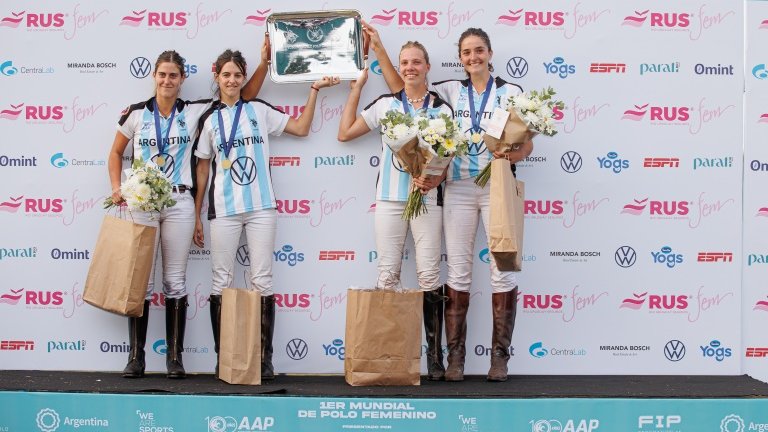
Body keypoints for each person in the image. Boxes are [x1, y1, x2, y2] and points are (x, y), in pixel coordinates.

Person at [376, 27, 533, 382]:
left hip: (498, 188)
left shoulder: (512, 93)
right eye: (466, 53)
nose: (473, 57)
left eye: (479, 50)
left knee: (502, 267)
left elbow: (527, 146)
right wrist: (380, 49)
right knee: (458, 270)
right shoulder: (448, 91)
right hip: (459, 189)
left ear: (490, 53)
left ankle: (499, 358)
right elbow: (404, 87)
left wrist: (514, 152)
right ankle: (456, 359)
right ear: (460, 58)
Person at [108, 49, 267, 379]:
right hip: (142, 204)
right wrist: (116, 187)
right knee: (140, 282)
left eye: (173, 75)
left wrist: (263, 63)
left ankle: (174, 358)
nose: (167, 80)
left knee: (175, 281)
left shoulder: (194, 112)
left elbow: (241, 95)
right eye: (162, 74)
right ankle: (136, 357)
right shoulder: (137, 114)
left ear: (182, 79)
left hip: (179, 203)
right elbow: (114, 153)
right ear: (154, 77)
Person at [193, 48, 339, 380]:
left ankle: (264, 359)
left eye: (237, 75)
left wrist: (313, 91)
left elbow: (301, 128)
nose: (232, 80)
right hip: (224, 210)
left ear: (244, 79)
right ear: (217, 77)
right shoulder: (208, 119)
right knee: (221, 281)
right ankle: (224, 357)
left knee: (261, 280)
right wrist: (197, 212)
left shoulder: (258, 109)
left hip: (261, 208)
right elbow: (203, 168)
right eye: (226, 75)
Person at [337, 38, 452, 381]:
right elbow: (345, 133)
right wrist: (356, 89)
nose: (410, 68)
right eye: (405, 63)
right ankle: (389, 353)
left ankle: (433, 358)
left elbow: (448, 156)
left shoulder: (441, 109)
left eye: (417, 62)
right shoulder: (386, 104)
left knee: (429, 276)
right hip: (389, 198)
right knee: (388, 275)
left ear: (427, 67)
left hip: (427, 199)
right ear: (399, 68)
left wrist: (433, 178)